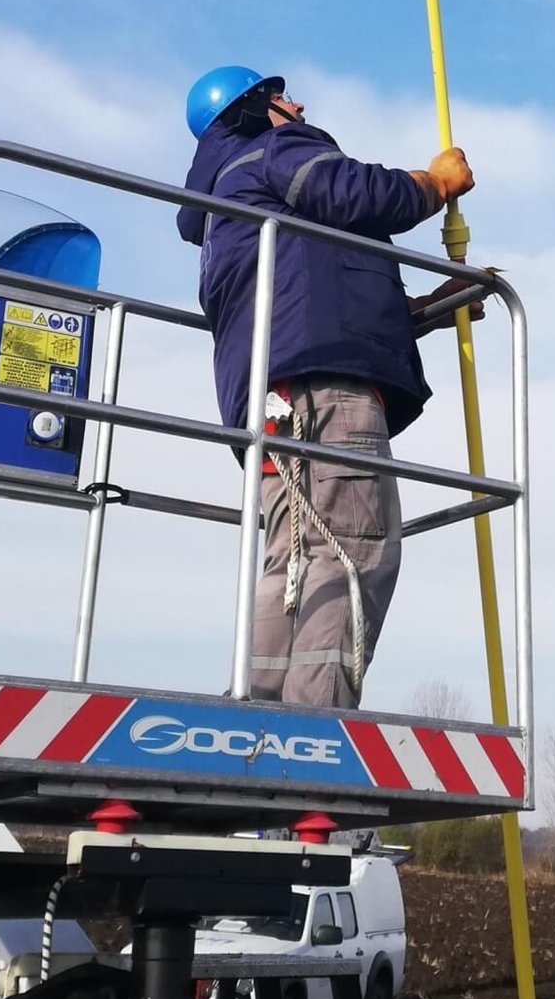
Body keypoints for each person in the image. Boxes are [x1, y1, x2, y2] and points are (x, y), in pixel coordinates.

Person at [177, 65, 475, 708]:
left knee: (293, 565)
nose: (299, 103)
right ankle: (312, 736)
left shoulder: (228, 209)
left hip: (276, 409)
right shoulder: (275, 149)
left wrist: (427, 308)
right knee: (351, 553)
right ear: (252, 109)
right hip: (325, 399)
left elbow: (315, 306)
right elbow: (354, 193)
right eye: (283, 96)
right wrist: (434, 183)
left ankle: (254, 718)